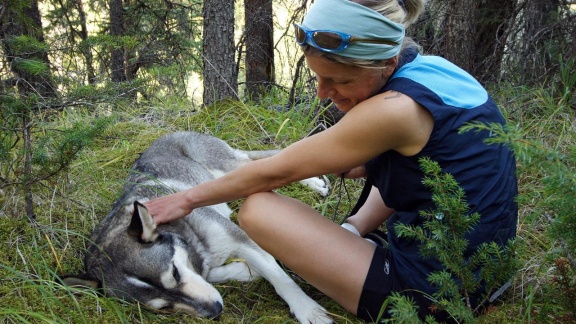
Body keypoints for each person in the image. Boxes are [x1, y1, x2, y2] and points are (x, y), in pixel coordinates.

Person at [144, 0, 518, 321]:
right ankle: (355, 232)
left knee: (257, 211)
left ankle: (370, 258)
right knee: (386, 163)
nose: (324, 93)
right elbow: (426, 162)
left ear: (385, 62)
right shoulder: (432, 71)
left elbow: (278, 170)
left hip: (434, 298)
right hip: (483, 269)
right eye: (318, 78)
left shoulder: (394, 111)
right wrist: (363, 182)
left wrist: (186, 199)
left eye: (338, 80)